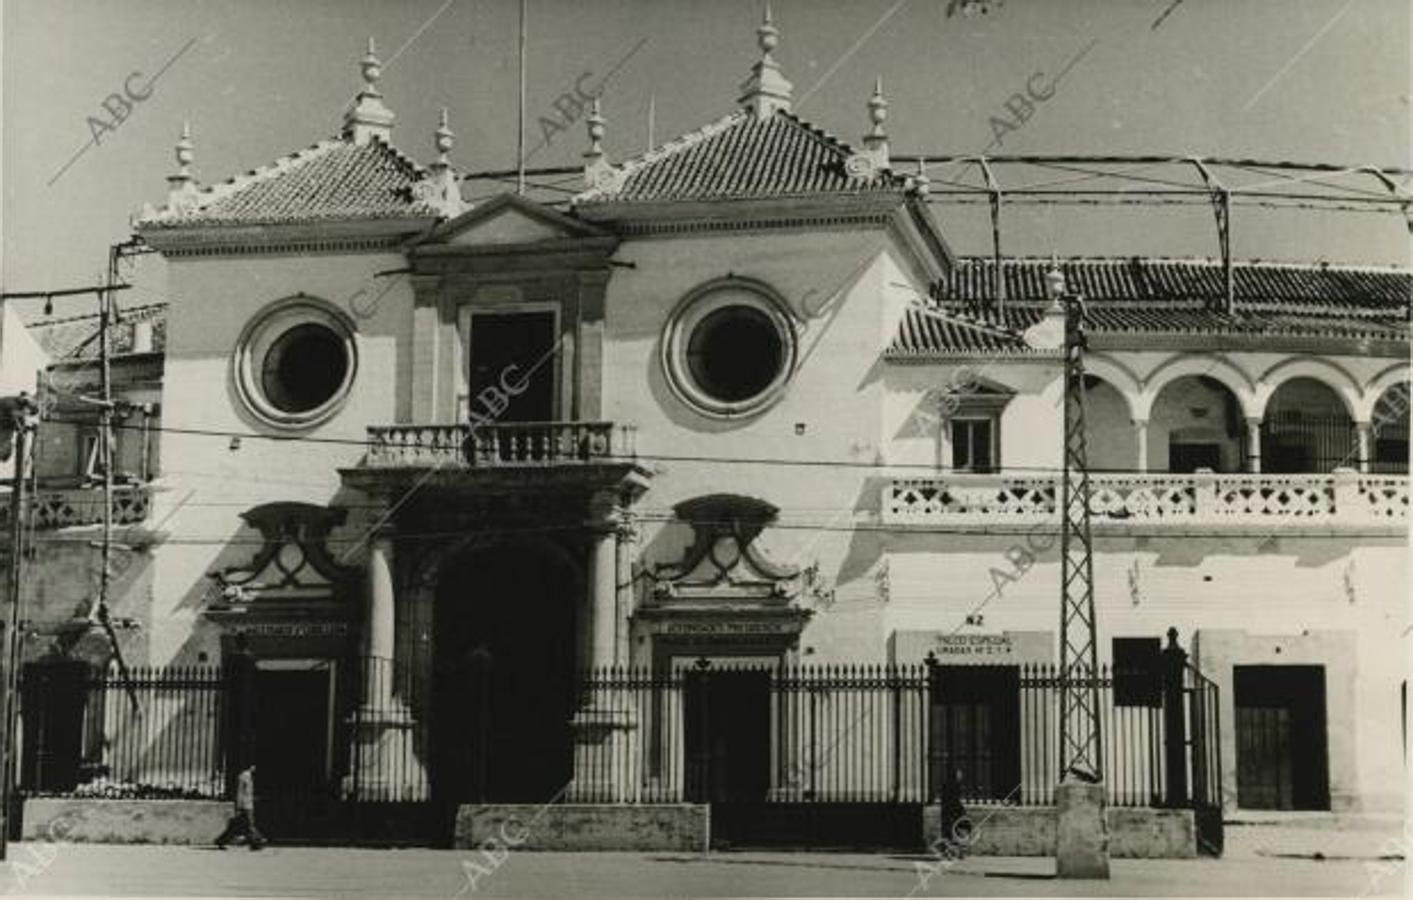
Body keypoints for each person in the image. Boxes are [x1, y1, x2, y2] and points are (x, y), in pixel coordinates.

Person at [215, 764, 266, 850]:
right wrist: (239, 806)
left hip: (248, 804)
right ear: (251, 767)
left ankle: (221, 840)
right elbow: (240, 792)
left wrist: (253, 798)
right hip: (245, 806)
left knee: (235, 826)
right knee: (250, 825)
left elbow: (247, 792)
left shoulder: (249, 776)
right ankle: (257, 842)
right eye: (254, 766)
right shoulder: (243, 776)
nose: (255, 768)